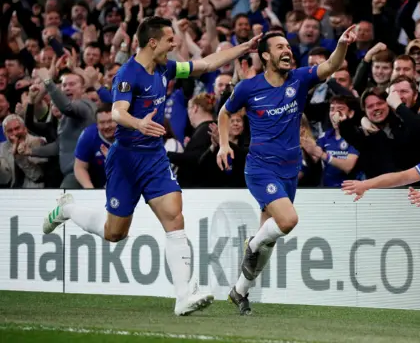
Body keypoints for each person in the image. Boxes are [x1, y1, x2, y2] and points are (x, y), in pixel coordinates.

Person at [42, 16, 262, 316]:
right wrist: (139, 124)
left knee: (174, 217)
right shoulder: (127, 74)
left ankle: (184, 295)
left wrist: (244, 48)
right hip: (125, 159)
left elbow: (208, 64)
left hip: (154, 158)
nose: (176, 44)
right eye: (171, 39)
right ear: (153, 42)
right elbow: (118, 113)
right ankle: (67, 209)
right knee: (114, 233)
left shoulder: (165, 68)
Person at [217, 25, 357, 315]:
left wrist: (342, 43)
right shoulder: (248, 87)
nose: (287, 51)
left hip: (290, 169)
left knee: (269, 241)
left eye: (288, 47)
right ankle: (251, 243)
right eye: (279, 47)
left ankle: (240, 291)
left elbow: (330, 65)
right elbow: (224, 112)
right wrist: (223, 144)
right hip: (260, 168)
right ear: (265, 55)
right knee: (288, 221)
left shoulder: (299, 79)